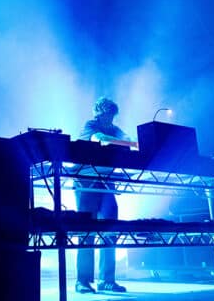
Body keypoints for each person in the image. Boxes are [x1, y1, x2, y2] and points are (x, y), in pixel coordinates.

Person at [74, 97, 128, 294]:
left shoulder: (114, 128)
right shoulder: (90, 125)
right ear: (98, 112)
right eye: (105, 114)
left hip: (105, 182)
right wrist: (120, 142)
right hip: (85, 181)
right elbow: (100, 140)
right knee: (86, 230)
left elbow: (131, 142)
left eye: (111, 115)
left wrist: (123, 141)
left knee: (110, 227)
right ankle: (83, 281)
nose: (108, 118)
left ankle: (107, 280)